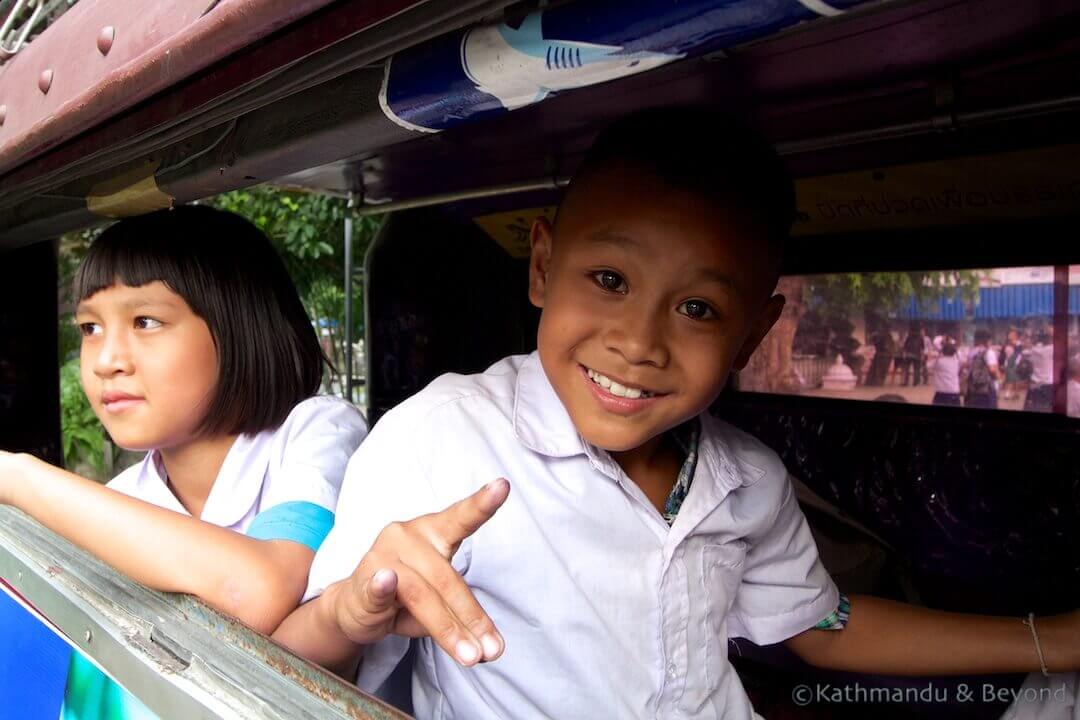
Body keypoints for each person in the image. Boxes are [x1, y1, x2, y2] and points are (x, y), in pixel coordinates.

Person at [273, 110, 1080, 719]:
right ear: (545, 267)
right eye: (610, 281)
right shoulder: (439, 435)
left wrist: (1048, 642)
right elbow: (290, 667)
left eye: (696, 307)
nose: (638, 343)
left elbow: (821, 625)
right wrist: (350, 612)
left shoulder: (746, 480)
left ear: (752, 334)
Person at [0, 206, 367, 716]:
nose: (107, 360)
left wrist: (15, 476)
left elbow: (257, 590)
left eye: (145, 321)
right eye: (89, 328)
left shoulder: (313, 433)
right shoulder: (127, 497)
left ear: (239, 326)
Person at [963, 329, 1001, 409]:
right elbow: (992, 369)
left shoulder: (971, 352)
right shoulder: (989, 352)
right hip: (986, 390)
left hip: (972, 389)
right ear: (986, 340)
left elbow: (967, 366)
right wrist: (998, 377)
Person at [1022, 329, 1055, 413]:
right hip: (1048, 384)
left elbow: (1024, 351)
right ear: (1050, 339)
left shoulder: (1033, 350)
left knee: (1036, 408)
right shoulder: (1051, 349)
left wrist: (1028, 341)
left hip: (1035, 384)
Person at [928, 342, 962, 406]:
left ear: (942, 351)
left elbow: (928, 365)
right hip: (954, 391)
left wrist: (933, 356)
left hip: (941, 392)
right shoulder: (956, 362)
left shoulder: (939, 361)